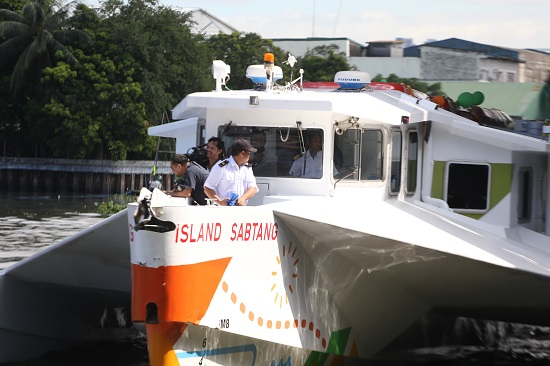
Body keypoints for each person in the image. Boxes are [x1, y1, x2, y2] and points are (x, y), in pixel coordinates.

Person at [204, 139, 259, 206]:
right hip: (222, 210)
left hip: (240, 210)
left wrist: (243, 198)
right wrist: (220, 202)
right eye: (249, 153)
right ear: (242, 154)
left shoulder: (247, 168)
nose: (249, 156)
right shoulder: (221, 167)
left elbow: (253, 187)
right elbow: (208, 188)